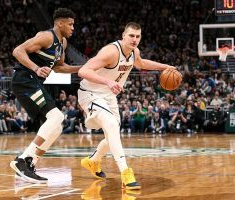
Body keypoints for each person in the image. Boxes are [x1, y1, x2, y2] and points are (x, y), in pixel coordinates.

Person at [77, 22, 175, 190]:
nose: (134, 39)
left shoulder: (134, 52)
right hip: (91, 93)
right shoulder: (111, 52)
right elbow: (83, 71)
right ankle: (126, 172)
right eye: (131, 36)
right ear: (123, 36)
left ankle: (92, 161)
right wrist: (108, 81)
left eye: (137, 36)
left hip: (109, 96)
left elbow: (142, 63)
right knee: (112, 125)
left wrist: (164, 67)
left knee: (112, 135)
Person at [10, 8, 81, 183]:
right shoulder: (46, 36)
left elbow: (59, 67)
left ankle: (30, 162)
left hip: (35, 82)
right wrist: (35, 68)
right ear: (60, 23)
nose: (73, 28)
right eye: (70, 24)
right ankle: (21, 160)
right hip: (25, 79)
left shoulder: (62, 43)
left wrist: (82, 68)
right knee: (56, 116)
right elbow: (18, 51)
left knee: (57, 126)